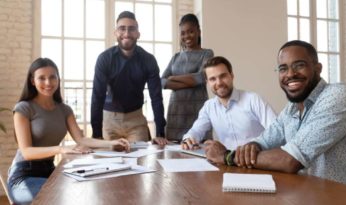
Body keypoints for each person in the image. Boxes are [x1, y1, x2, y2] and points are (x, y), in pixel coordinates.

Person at [213, 40, 346, 188]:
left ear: (318, 68)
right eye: (283, 68)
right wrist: (251, 147)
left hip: (345, 199)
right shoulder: (292, 107)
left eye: (299, 65)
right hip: (307, 195)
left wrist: (227, 156)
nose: (290, 74)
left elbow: (290, 160)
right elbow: (264, 141)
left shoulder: (339, 96)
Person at [7, 58, 131, 205]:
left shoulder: (64, 109)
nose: (48, 83)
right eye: (42, 78)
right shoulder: (23, 108)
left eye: (53, 77)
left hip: (51, 171)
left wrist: (111, 144)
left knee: (87, 193)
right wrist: (61, 149)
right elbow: (26, 152)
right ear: (32, 81)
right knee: (56, 200)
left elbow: (81, 139)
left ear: (58, 79)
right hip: (24, 175)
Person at [91, 11, 167, 146]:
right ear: (115, 33)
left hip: (136, 121)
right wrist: (96, 133)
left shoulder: (149, 60)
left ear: (138, 33)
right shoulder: (104, 59)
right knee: (108, 164)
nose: (126, 33)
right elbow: (97, 96)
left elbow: (156, 97)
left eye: (131, 29)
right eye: (122, 28)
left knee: (139, 162)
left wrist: (160, 132)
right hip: (109, 120)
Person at [181, 56, 277, 153]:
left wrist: (256, 146)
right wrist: (189, 138)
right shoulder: (209, 106)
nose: (219, 83)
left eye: (223, 76)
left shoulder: (253, 100)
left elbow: (276, 131)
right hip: (227, 162)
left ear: (231, 76)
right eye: (212, 79)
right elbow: (196, 131)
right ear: (207, 82)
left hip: (257, 160)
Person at [161, 13, 214, 142]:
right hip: (176, 113)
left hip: (197, 112)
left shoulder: (207, 53)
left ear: (198, 32)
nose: (186, 36)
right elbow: (162, 81)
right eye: (183, 33)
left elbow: (201, 77)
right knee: (173, 156)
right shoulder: (176, 57)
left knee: (199, 152)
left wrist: (173, 78)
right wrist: (191, 82)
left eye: (191, 31)